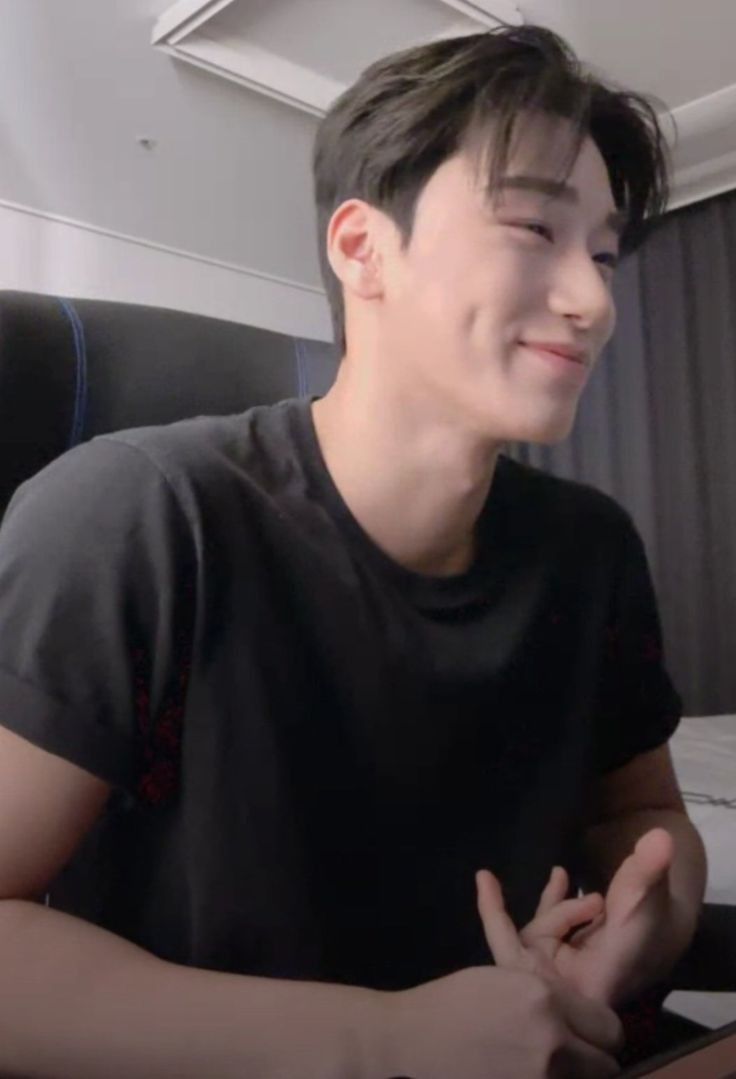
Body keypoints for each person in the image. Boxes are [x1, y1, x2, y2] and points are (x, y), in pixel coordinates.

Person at [0, 22, 706, 1079]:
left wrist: (645, 922)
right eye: (531, 229)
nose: (595, 301)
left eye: (603, 253)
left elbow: (644, 813)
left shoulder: (586, 548)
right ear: (362, 248)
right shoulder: (137, 516)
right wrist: (386, 1039)